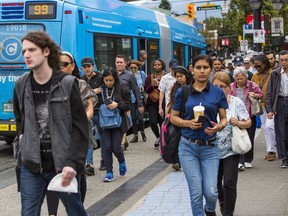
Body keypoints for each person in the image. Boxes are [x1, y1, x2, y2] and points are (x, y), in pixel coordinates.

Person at [13, 31, 88, 216]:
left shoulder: (68, 84)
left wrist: (72, 162)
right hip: (31, 165)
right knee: (28, 213)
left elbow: (80, 128)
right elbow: (20, 118)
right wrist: (23, 139)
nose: (27, 55)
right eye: (24, 51)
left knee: (75, 211)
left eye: (32, 49)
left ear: (46, 51)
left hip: (63, 165)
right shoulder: (21, 84)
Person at [170, 54, 228, 216]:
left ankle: (209, 211)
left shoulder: (218, 92)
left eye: (205, 67)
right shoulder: (184, 91)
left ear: (210, 70)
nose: (202, 71)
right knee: (196, 193)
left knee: (211, 193)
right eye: (198, 67)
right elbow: (173, 117)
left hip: (210, 147)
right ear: (192, 70)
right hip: (188, 147)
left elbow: (223, 119)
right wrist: (186, 123)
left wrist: (219, 127)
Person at [46, 51, 98, 215]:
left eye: (65, 64)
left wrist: (76, 123)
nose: (60, 67)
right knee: (52, 175)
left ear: (72, 66)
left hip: (78, 136)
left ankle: (78, 208)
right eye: (57, 64)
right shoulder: (48, 85)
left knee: (78, 174)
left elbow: (89, 110)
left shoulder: (80, 84)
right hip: (55, 139)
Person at [212, 72, 251, 216]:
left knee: (229, 182)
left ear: (229, 88)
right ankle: (222, 202)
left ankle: (229, 213)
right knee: (215, 185)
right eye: (215, 86)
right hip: (211, 150)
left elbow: (248, 122)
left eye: (222, 86)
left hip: (231, 150)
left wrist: (238, 122)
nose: (218, 89)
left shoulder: (236, 102)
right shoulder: (208, 103)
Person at [100, 69, 131, 182]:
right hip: (104, 123)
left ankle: (121, 161)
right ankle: (109, 172)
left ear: (115, 79)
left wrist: (117, 104)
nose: (108, 83)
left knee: (116, 148)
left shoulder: (122, 88)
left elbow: (128, 105)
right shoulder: (101, 90)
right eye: (106, 80)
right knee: (106, 148)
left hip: (118, 123)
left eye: (111, 80)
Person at [230, 67, 263, 171]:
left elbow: (261, 94)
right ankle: (239, 160)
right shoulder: (231, 87)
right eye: (238, 78)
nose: (240, 80)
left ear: (246, 77)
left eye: (242, 78)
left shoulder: (251, 85)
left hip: (249, 115)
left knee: (249, 137)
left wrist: (255, 95)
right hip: (236, 116)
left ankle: (248, 159)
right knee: (238, 137)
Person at [166, 66, 194, 171]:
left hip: (188, 116)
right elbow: (171, 101)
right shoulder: (175, 87)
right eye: (177, 77)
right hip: (177, 117)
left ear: (186, 76)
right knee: (176, 139)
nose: (179, 79)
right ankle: (177, 161)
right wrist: (167, 113)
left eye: (181, 76)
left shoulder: (192, 86)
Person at [115, 54, 144, 150]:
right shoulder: (113, 74)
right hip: (115, 103)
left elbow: (136, 90)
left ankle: (122, 142)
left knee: (124, 121)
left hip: (127, 102)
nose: (119, 64)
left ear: (125, 63)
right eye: (117, 62)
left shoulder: (130, 75)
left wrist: (140, 104)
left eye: (121, 62)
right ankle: (125, 140)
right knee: (117, 122)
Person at [81, 57, 104, 172]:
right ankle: (89, 164)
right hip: (87, 113)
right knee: (88, 138)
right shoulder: (81, 79)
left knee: (102, 136)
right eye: (84, 67)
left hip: (100, 111)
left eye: (88, 66)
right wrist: (94, 91)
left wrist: (96, 91)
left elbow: (104, 88)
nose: (87, 69)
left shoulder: (100, 77)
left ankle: (103, 159)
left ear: (93, 66)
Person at [251, 54, 276, 161]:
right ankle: (270, 150)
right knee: (265, 127)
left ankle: (273, 149)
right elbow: (251, 88)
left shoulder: (273, 74)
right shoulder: (255, 76)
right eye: (255, 67)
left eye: (259, 66)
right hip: (261, 105)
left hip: (272, 105)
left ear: (265, 64)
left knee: (269, 127)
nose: (257, 68)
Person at [266, 50, 288, 168]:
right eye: (282, 60)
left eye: (287, 60)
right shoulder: (275, 73)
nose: (284, 62)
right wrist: (269, 109)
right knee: (281, 132)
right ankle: (284, 157)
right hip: (280, 102)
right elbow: (269, 92)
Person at [144, 58, 166, 148]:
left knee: (162, 123)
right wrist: (152, 85)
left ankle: (163, 139)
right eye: (155, 65)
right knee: (152, 122)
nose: (157, 66)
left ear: (162, 66)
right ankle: (157, 137)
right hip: (152, 103)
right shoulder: (149, 77)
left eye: (159, 64)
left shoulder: (166, 77)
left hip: (163, 102)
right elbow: (146, 90)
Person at [128, 60, 147, 143]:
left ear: (138, 67)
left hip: (140, 98)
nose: (133, 69)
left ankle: (143, 133)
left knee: (140, 117)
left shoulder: (142, 74)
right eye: (131, 68)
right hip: (131, 99)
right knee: (133, 118)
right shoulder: (128, 75)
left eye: (135, 68)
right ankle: (135, 135)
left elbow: (147, 83)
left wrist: (144, 86)